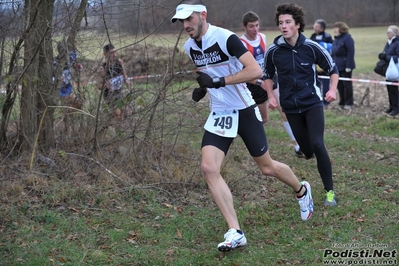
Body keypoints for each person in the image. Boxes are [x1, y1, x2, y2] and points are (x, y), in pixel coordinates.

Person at [171, 0, 313, 253]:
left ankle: (302, 191)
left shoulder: (225, 38)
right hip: (220, 112)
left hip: (245, 109)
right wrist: (203, 88)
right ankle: (235, 231)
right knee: (208, 167)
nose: (185, 25)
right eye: (181, 21)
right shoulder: (189, 46)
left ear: (203, 15)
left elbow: (254, 70)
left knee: (267, 168)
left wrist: (217, 81)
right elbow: (209, 73)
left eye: (189, 19)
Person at [263, 3, 339, 208]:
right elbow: (267, 75)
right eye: (281, 23)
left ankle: (330, 193)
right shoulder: (273, 51)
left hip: (312, 103)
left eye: (288, 22)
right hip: (290, 107)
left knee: (317, 144)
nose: (284, 26)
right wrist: (270, 95)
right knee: (306, 150)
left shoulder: (312, 47)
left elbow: (333, 69)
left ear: (297, 25)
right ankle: (306, 150)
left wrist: (332, 90)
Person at [240, 11, 303, 157]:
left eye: (257, 25)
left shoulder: (262, 37)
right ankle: (254, 144)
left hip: (269, 78)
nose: (255, 29)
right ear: (244, 27)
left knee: (285, 111)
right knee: (264, 119)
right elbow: (241, 73)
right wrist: (257, 81)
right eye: (251, 26)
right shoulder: (241, 43)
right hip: (254, 85)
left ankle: (297, 146)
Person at [97, 43, 130, 121]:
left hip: (118, 93)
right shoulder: (103, 68)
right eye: (112, 53)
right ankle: (115, 129)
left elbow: (123, 72)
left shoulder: (119, 62)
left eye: (115, 52)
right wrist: (105, 85)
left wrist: (126, 80)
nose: (114, 55)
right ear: (105, 54)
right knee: (118, 115)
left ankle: (109, 120)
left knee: (127, 112)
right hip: (109, 96)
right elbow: (99, 86)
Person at [331, 21, 356, 110]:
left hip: (346, 66)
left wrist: (348, 66)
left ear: (341, 29)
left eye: (336, 28)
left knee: (347, 85)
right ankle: (342, 101)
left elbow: (350, 52)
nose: (334, 30)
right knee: (339, 85)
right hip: (337, 66)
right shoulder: (336, 39)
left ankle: (349, 102)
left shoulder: (347, 39)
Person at [53, 42, 84, 109]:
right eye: (61, 50)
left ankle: (69, 116)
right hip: (60, 89)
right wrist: (57, 81)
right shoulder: (55, 62)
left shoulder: (70, 58)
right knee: (68, 104)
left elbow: (75, 64)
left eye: (65, 50)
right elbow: (52, 76)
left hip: (68, 86)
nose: (63, 52)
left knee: (76, 103)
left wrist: (78, 66)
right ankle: (66, 116)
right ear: (58, 51)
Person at [310, 19, 333, 108]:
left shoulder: (327, 37)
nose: (314, 28)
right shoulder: (312, 36)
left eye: (317, 27)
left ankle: (326, 101)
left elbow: (331, 50)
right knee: (316, 83)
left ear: (322, 29)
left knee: (326, 84)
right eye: (314, 26)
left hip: (324, 64)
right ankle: (317, 99)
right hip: (315, 64)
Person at [378, 25, 399, 117]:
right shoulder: (388, 43)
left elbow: (397, 57)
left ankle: (396, 108)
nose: (387, 34)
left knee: (394, 89)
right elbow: (385, 52)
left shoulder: (397, 43)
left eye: (389, 32)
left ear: (394, 33)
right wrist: (382, 55)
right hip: (388, 69)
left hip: (395, 69)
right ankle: (391, 106)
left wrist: (386, 57)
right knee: (389, 88)